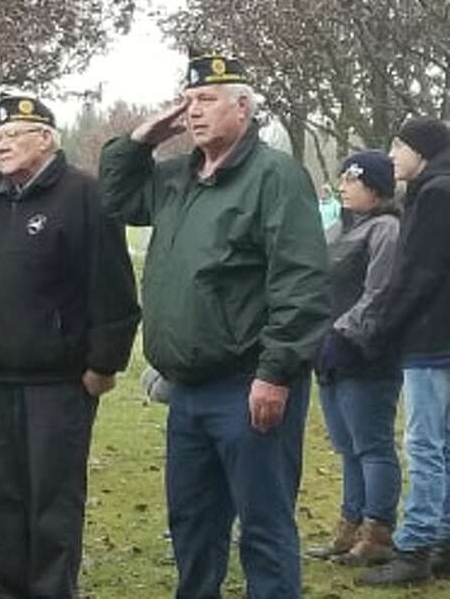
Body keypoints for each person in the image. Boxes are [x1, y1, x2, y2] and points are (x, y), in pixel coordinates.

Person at [98, 54, 330, 599]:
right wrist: (139, 139)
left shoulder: (275, 177)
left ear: (243, 109)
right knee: (193, 526)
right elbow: (115, 196)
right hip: (188, 390)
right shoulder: (177, 177)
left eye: (206, 100)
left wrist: (275, 373)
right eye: (188, 100)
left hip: (249, 386)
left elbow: (300, 283)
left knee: (264, 528)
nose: (192, 111)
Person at [0, 92, 140, 599]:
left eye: (13, 136)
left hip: (58, 382)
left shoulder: (84, 195)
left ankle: (52, 590)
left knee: (52, 503)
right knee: (2, 500)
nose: (2, 145)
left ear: (45, 138)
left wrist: (103, 363)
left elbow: (112, 284)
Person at [340, 117, 450, 586]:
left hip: (431, 338)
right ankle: (442, 540)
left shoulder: (433, 195)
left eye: (399, 145)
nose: (391, 155)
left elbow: (416, 273)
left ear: (421, 151)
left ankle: (416, 545)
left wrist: (378, 330)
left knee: (424, 444)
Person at [307, 151, 401, 566]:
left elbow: (379, 294)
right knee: (346, 446)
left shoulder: (387, 231)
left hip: (366, 356)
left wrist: (344, 334)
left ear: (376, 188)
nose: (343, 186)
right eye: (343, 178)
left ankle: (378, 531)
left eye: (353, 180)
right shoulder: (339, 228)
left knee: (372, 445)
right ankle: (349, 524)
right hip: (329, 354)